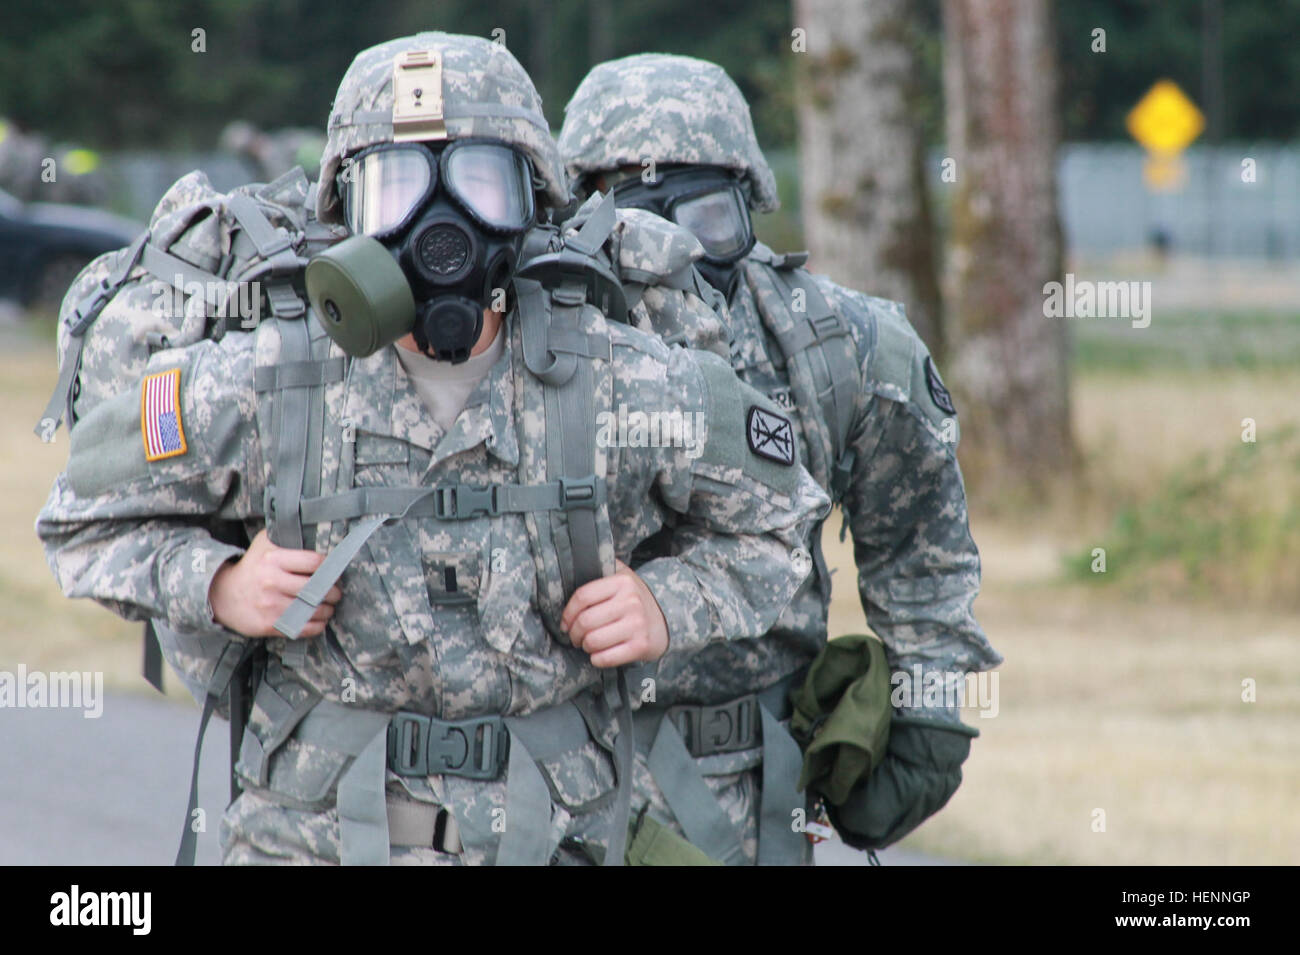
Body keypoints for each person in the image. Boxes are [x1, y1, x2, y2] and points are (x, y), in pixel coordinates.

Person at [36, 34, 827, 866]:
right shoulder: (270, 379)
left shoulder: (623, 379)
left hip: (551, 835)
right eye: (396, 188)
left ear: (534, 207)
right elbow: (82, 520)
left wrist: (667, 604)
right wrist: (221, 584)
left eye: (483, 183)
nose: (439, 227)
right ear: (344, 216)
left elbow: (779, 520)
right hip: (309, 839)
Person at [558, 53, 1003, 863]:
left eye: (703, 219)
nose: (669, 255)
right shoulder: (515, 346)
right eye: (628, 220)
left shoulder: (845, 351)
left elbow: (921, 558)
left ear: (748, 209)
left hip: (751, 794)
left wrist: (930, 714)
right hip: (554, 777)